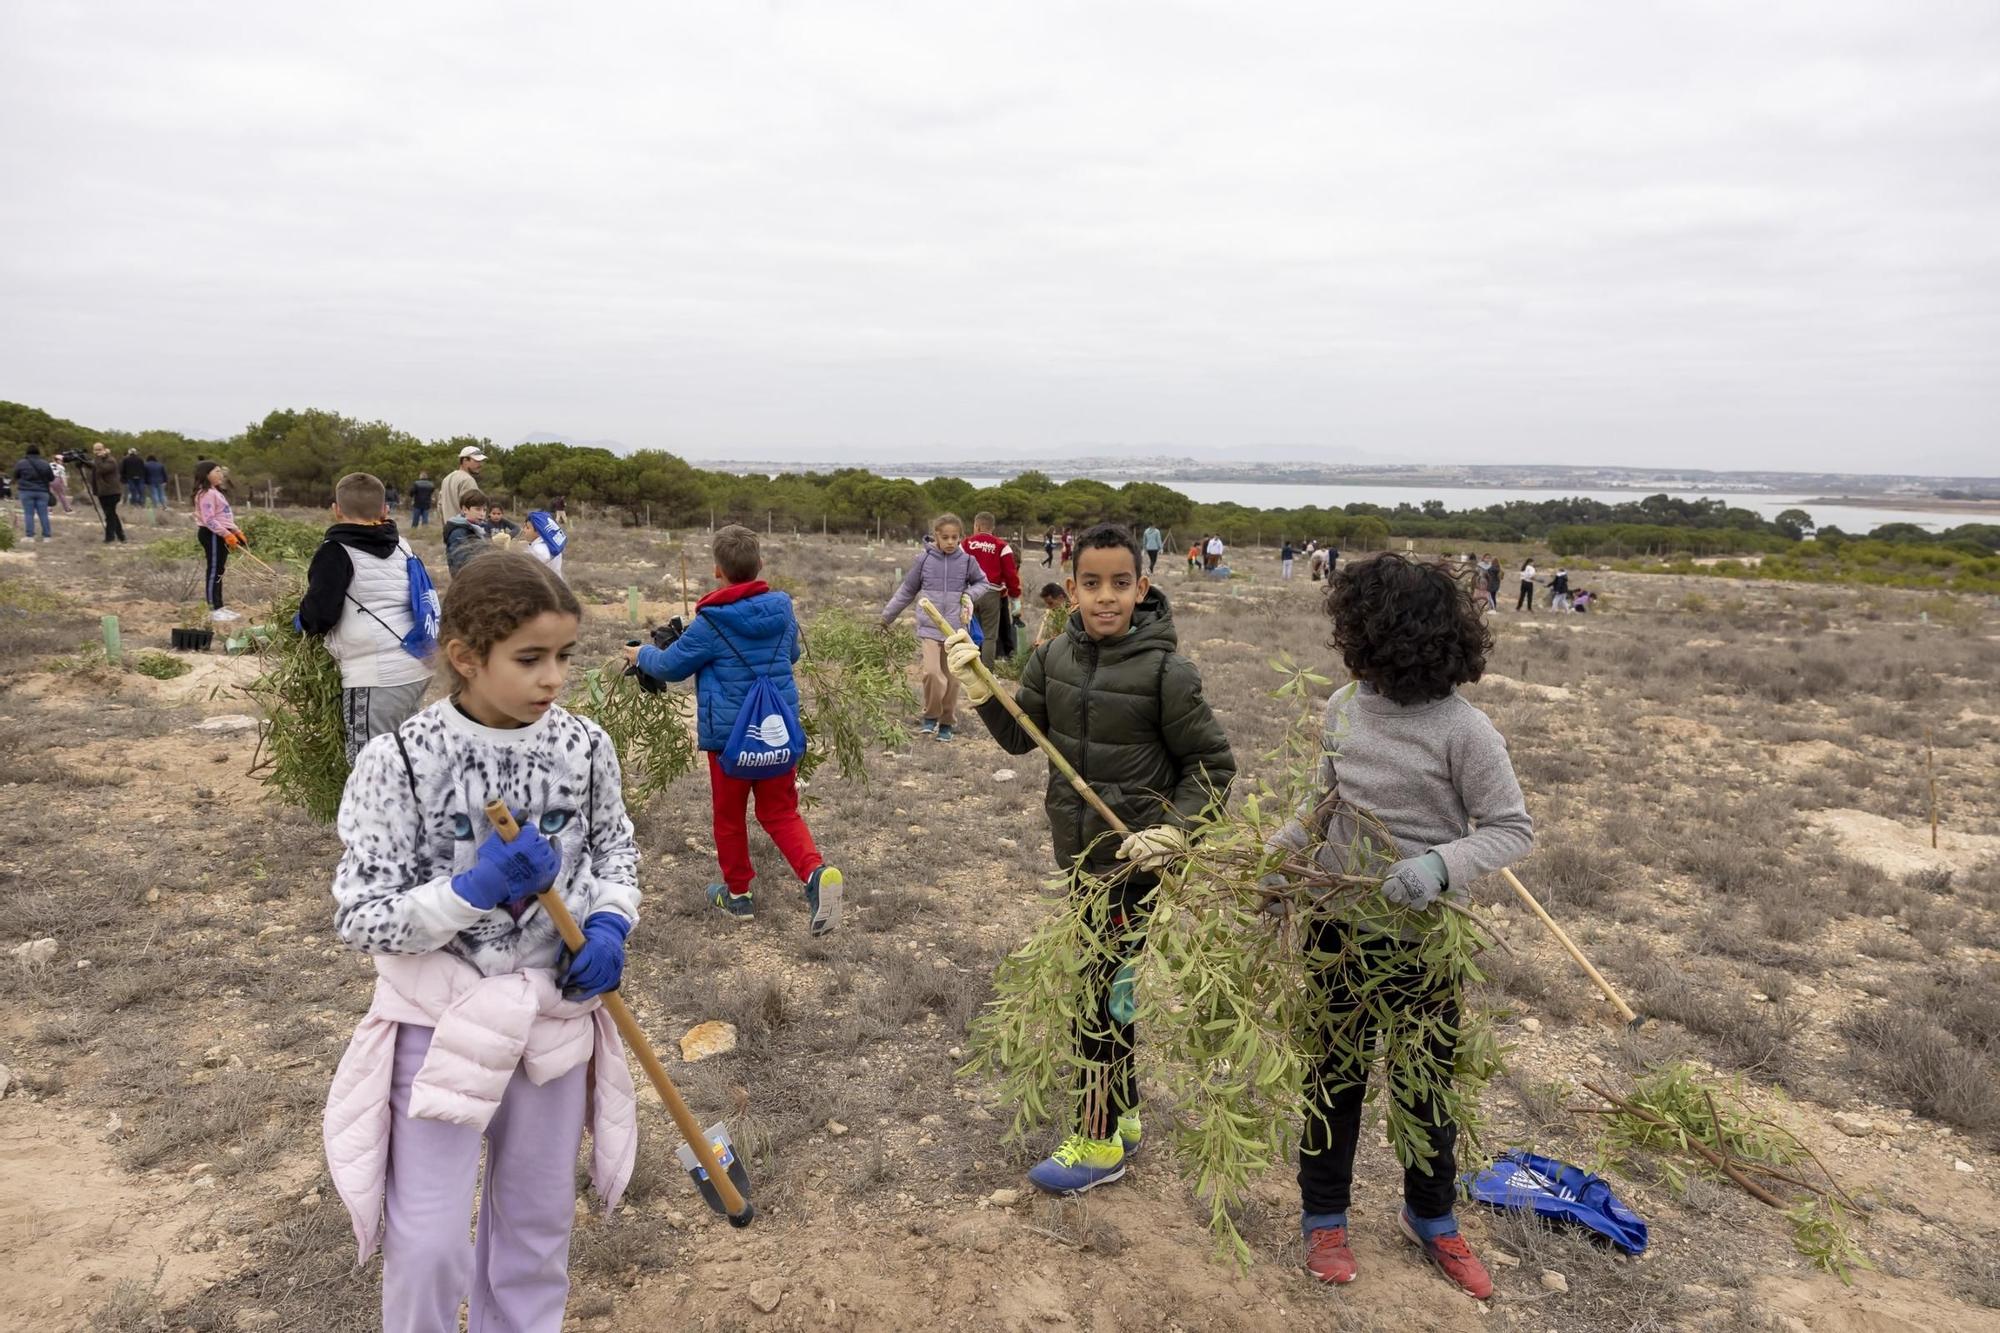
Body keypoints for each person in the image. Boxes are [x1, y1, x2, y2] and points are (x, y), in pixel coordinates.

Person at [324, 551, 641, 1333]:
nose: (553, 678)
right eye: (529, 658)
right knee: (429, 1243)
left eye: (564, 655)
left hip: (550, 1022)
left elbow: (614, 854)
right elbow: (361, 912)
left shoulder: (586, 747)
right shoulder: (397, 760)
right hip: (441, 1029)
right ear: (465, 657)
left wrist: (608, 921)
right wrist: (470, 890)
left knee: (536, 1233)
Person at [1267, 552, 1531, 1298]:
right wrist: (1281, 856)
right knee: (1334, 1079)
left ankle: (1432, 1217)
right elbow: (1322, 803)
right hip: (1339, 932)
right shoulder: (1344, 707)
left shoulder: (1465, 730)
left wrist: (1438, 866)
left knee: (1425, 1086)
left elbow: (1512, 828)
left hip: (1424, 945)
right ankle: (1324, 1215)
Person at [946, 524, 1235, 1195]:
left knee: (1095, 998)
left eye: (1121, 583)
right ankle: (1124, 1113)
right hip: (1078, 856)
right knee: (1111, 988)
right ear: (1071, 588)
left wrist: (1174, 831)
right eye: (1092, 583)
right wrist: (984, 689)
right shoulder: (1054, 659)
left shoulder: (1168, 671)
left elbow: (1213, 766)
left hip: (1134, 863)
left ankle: (1098, 1139)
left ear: (1143, 586)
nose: (1107, 597)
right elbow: (1027, 741)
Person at [625, 525, 843, 931]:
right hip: (777, 731)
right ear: (760, 566)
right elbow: (792, 653)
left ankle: (738, 894)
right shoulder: (782, 611)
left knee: (729, 816)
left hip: (730, 741)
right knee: (780, 811)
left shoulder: (711, 624)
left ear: (716, 571)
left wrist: (642, 655)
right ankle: (815, 873)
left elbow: (670, 667)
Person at [296, 473, 437, 762]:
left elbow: (320, 615)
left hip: (376, 676)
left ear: (336, 509)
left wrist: (301, 620)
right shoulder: (402, 546)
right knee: (403, 756)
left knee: (370, 768)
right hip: (415, 668)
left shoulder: (336, 552)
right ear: (385, 509)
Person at [879, 512, 993, 742]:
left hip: (956, 629)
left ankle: (946, 722)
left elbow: (983, 582)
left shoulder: (968, 561)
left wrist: (968, 594)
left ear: (960, 537)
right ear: (936, 537)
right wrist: (886, 617)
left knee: (952, 679)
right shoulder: (924, 560)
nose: (951, 542)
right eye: (946, 537)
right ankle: (930, 716)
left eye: (955, 537)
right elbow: (907, 590)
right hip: (930, 628)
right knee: (933, 674)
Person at [961, 512, 1021, 669]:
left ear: (977, 526)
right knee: (989, 636)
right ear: (992, 528)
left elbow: (957, 568)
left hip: (969, 593)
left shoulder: (965, 544)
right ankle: (987, 673)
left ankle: (969, 668)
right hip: (991, 594)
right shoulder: (1002, 547)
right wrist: (1015, 599)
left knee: (968, 632)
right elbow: (1011, 575)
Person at [193, 461, 246, 619]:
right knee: (214, 570)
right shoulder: (206, 494)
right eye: (216, 471)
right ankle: (213, 609)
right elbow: (209, 520)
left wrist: (236, 531)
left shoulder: (216, 492)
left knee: (220, 571)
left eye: (220, 471)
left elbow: (223, 516)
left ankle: (219, 606)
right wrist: (226, 534)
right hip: (212, 535)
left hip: (221, 534)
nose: (220, 474)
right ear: (206, 474)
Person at [442, 490, 494, 575]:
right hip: (467, 580)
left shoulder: (480, 529)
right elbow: (462, 562)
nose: (482, 514)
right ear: (465, 509)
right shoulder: (458, 533)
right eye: (478, 509)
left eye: (484, 510)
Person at [87, 442, 127, 543]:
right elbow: (93, 469)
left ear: (104, 449)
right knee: (111, 514)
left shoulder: (111, 460)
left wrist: (99, 458)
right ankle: (121, 536)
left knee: (109, 514)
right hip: (102, 492)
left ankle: (109, 538)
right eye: (95, 450)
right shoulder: (98, 461)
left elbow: (101, 469)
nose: (97, 452)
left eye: (99, 450)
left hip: (112, 492)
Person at [13, 445, 54, 542]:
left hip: (26, 491)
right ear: (38, 453)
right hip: (42, 492)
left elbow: (16, 476)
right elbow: (51, 478)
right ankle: (47, 536)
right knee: (43, 514)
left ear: (27, 453)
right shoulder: (45, 464)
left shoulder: (21, 463)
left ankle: (30, 536)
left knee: (28, 514)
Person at [438, 445, 486, 519]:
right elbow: (474, 509)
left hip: (449, 527)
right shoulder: (468, 480)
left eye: (481, 461)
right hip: (464, 527)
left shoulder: (446, 479)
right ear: (465, 460)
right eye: (476, 461)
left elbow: (440, 507)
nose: (480, 464)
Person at [524, 507, 567, 581]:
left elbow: (543, 556)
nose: (524, 530)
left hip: (547, 586)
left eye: (527, 528)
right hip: (557, 582)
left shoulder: (539, 549)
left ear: (539, 531)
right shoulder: (552, 543)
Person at [1030, 582, 1069, 649]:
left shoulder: (1074, 614)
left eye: (1050, 603)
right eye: (1047, 604)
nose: (1048, 607)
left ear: (1061, 598)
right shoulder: (1055, 615)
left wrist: (1046, 643)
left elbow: (1067, 639)